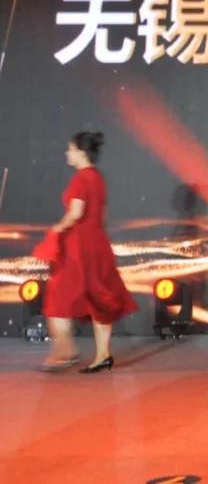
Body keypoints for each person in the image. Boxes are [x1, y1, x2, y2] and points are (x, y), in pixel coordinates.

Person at [40, 132, 138, 373]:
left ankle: (65, 352)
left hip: (80, 247)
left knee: (59, 297)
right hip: (97, 244)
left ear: (81, 152)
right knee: (99, 298)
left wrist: (57, 228)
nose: (67, 153)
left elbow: (76, 213)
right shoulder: (97, 177)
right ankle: (102, 354)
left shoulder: (81, 179)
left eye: (70, 149)